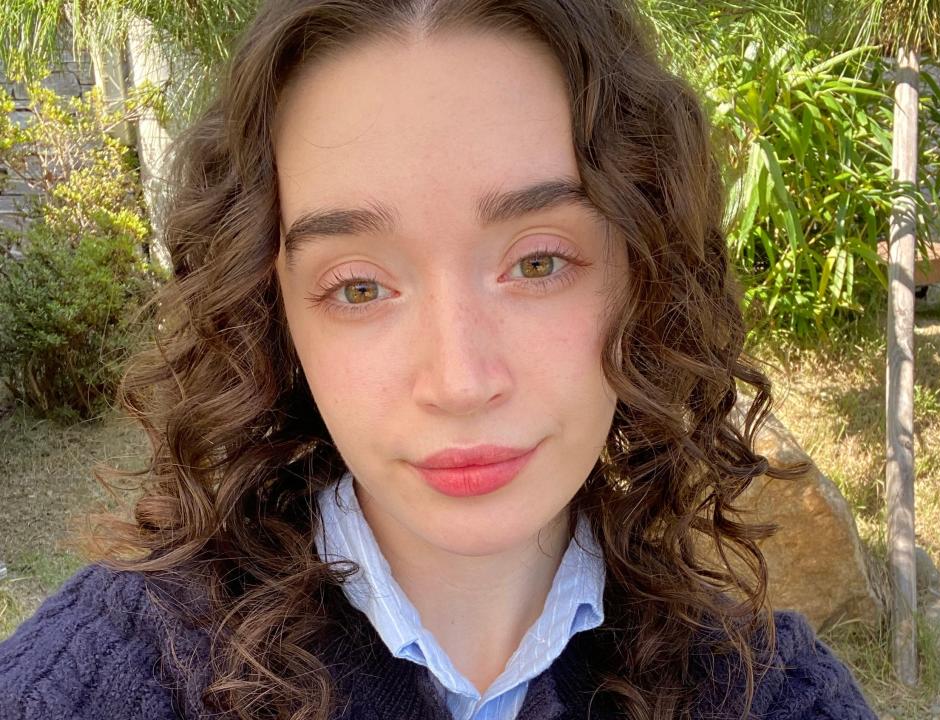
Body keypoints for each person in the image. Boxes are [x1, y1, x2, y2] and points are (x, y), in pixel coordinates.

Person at [0, 1, 879, 718]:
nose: (459, 382)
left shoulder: (770, 698)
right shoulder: (99, 683)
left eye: (538, 263)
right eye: (357, 287)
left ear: (644, 276)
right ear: (272, 315)